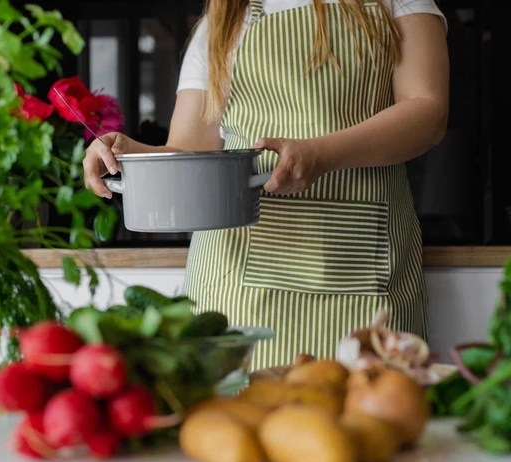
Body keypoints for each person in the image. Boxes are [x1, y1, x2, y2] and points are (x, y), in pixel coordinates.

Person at [83, 0, 449, 370]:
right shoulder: (224, 21)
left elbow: (428, 112)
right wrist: (128, 153)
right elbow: (190, 151)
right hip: (237, 285)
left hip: (362, 278)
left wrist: (322, 154)